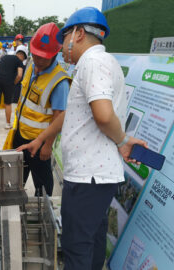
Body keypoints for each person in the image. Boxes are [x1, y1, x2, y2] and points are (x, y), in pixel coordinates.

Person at [18, 8, 147, 270]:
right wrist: (42, 139)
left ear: (78, 33)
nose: (63, 47)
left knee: (77, 248)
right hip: (95, 177)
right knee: (93, 242)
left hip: (89, 177)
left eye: (64, 37)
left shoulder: (93, 62)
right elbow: (76, 114)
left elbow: (102, 114)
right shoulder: (98, 63)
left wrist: (122, 141)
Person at [8, 23, 71, 197]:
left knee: (42, 183)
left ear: (53, 54)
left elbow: (59, 117)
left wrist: (48, 145)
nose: (38, 60)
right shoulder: (30, 66)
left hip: (39, 142)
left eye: (43, 57)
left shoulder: (60, 82)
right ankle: (12, 200)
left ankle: (43, 210)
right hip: (20, 134)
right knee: (15, 175)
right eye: (35, 55)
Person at [0, 45, 26, 131]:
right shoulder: (19, 61)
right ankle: (7, 124)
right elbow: (20, 75)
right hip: (8, 81)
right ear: (22, 56)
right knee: (8, 103)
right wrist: (14, 83)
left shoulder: (4, 57)